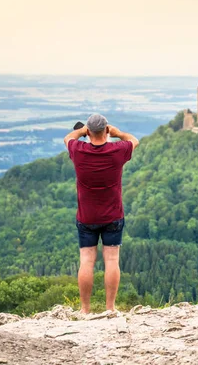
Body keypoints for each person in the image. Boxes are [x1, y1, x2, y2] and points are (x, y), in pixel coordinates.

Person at [64, 113, 139, 314]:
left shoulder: (79, 151)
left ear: (89, 131)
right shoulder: (117, 151)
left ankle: (85, 310)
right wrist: (117, 133)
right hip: (113, 216)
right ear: (106, 130)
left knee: (86, 261)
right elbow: (134, 140)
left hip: (86, 217)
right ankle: (110, 309)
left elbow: (68, 138)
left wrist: (82, 132)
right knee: (112, 260)